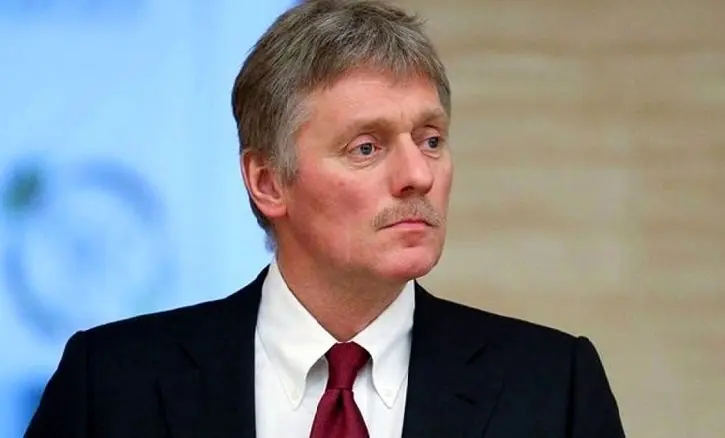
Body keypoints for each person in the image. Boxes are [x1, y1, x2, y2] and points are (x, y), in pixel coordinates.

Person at [25, 0, 626, 437]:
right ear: (268, 182)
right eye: (366, 147)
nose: (417, 174)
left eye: (431, 139)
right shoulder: (112, 384)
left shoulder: (553, 388)